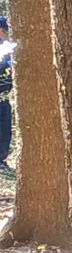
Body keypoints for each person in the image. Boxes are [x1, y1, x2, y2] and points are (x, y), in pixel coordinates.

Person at [0, 17, 13, 173]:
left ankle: (1, 160)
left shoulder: (6, 48)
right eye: (2, 31)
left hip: (3, 98)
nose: (4, 34)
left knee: (4, 132)